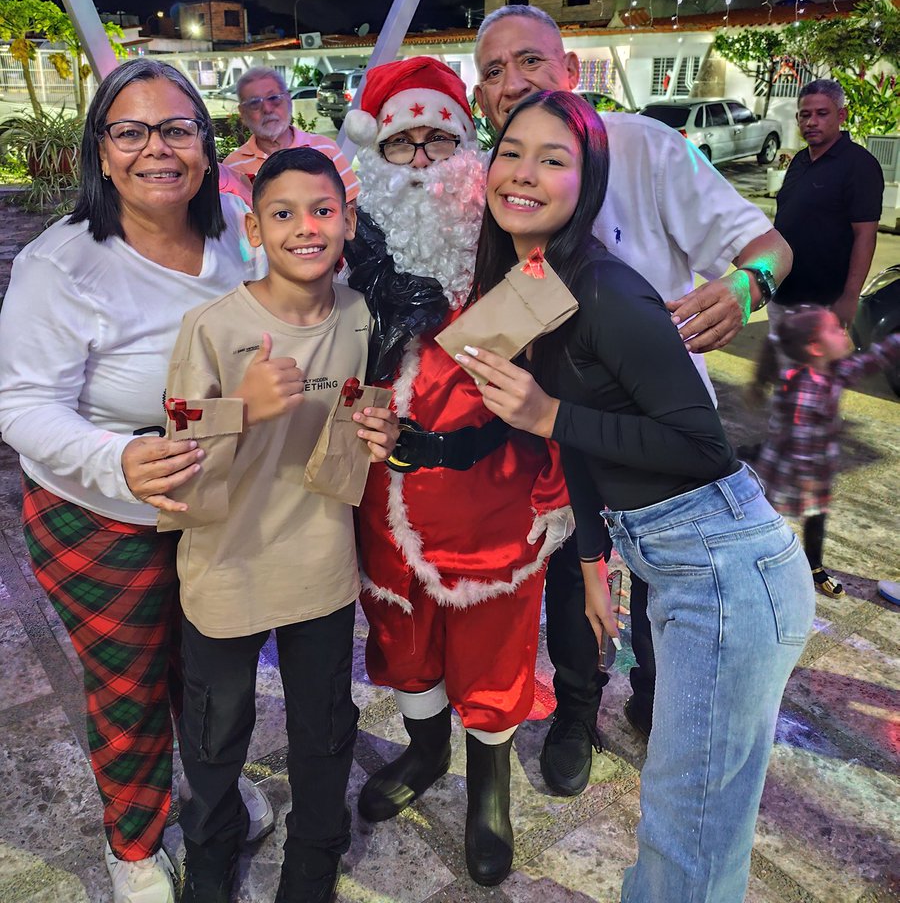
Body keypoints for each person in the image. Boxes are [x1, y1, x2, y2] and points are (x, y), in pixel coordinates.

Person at [458, 90, 815, 903]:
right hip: (680, 556)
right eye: (512, 152)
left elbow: (704, 448)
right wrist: (591, 556)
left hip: (727, 572)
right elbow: (578, 437)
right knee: (676, 827)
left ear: (588, 183)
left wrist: (545, 410)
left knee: (690, 838)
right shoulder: (532, 281)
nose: (524, 173)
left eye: (555, 160)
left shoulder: (608, 289)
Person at [473, 3, 793, 777]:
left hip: (668, 455)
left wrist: (745, 289)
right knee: (578, 588)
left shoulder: (644, 149)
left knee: (664, 633)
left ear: (572, 72)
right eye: (491, 71)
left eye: (531, 62)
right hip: (575, 447)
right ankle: (578, 715)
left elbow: (770, 247)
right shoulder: (505, 200)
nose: (512, 82)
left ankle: (661, 701)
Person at [0, 60, 271, 903]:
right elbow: (19, 405)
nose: (157, 148)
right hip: (103, 515)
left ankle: (211, 792)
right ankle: (134, 841)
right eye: (131, 130)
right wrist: (116, 459)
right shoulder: (62, 264)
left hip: (220, 502)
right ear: (102, 150)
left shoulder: (234, 226)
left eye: (177, 129)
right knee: (129, 687)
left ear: (205, 142)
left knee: (215, 672)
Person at [342, 56, 572, 887]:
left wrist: (558, 480)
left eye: (442, 137)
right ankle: (426, 752)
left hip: (491, 497)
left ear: (469, 150)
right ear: (377, 153)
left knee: (493, 646)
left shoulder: (516, 250)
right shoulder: (347, 248)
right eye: (403, 142)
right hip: (382, 495)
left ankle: (489, 788)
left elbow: (564, 373)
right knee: (403, 638)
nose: (423, 158)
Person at [164, 147, 398, 903]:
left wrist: (379, 432)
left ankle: (316, 853)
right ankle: (210, 848)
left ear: (348, 220)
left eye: (323, 210)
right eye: (283, 213)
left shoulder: (361, 317)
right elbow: (174, 475)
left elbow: (355, 428)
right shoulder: (211, 329)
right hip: (225, 572)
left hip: (320, 570)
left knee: (324, 730)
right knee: (213, 733)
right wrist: (241, 410)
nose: (306, 228)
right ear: (255, 229)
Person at [751, 304, 900, 598]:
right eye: (835, 329)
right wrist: (808, 479)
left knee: (816, 517)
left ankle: (814, 568)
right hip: (790, 473)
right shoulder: (803, 387)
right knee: (771, 519)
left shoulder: (832, 371)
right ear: (816, 348)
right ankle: (758, 566)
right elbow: (799, 439)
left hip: (813, 472)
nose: (844, 331)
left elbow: (869, 361)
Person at [774, 78, 884, 325]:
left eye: (822, 114)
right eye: (805, 115)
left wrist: (849, 297)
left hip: (822, 303)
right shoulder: (800, 160)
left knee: (813, 366)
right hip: (781, 294)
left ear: (841, 115)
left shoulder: (859, 165)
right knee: (781, 364)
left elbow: (865, 235)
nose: (811, 122)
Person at [223, 67, 360, 206]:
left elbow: (351, 207)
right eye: (254, 103)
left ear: (288, 100)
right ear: (242, 113)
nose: (267, 109)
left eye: (274, 98)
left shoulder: (326, 149)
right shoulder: (232, 168)